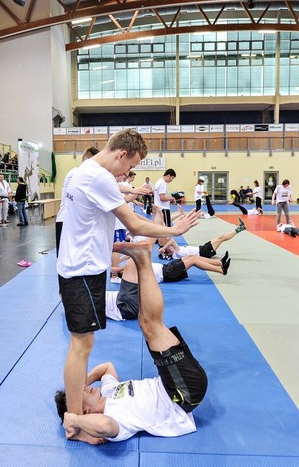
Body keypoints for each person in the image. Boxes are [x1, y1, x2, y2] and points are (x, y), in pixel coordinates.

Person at [57, 129, 199, 420]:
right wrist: (175, 231)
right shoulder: (98, 177)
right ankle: (75, 419)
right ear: (122, 154)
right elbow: (134, 224)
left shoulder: (83, 171)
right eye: (131, 166)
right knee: (81, 345)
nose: (129, 172)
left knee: (83, 344)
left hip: (81, 267)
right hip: (82, 270)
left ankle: (75, 412)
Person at [58, 241, 207, 444]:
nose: (83, 389)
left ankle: (142, 259)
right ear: (85, 410)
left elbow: (107, 368)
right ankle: (142, 259)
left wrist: (81, 384)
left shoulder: (109, 392)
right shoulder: (113, 418)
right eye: (79, 395)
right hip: (181, 394)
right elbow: (105, 427)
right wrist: (75, 420)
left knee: (148, 324)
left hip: (172, 382)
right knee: (151, 325)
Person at [55, 147, 99, 254]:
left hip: (75, 223)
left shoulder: (84, 174)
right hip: (66, 221)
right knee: (66, 262)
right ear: (87, 160)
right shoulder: (76, 173)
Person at [158, 218, 245, 260]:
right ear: (168, 252)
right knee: (221, 238)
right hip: (204, 252)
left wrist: (163, 247)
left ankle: (240, 228)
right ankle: (240, 228)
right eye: (168, 249)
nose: (169, 247)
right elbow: (172, 241)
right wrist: (162, 248)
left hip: (202, 248)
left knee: (220, 238)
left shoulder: (176, 252)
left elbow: (170, 240)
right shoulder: (177, 254)